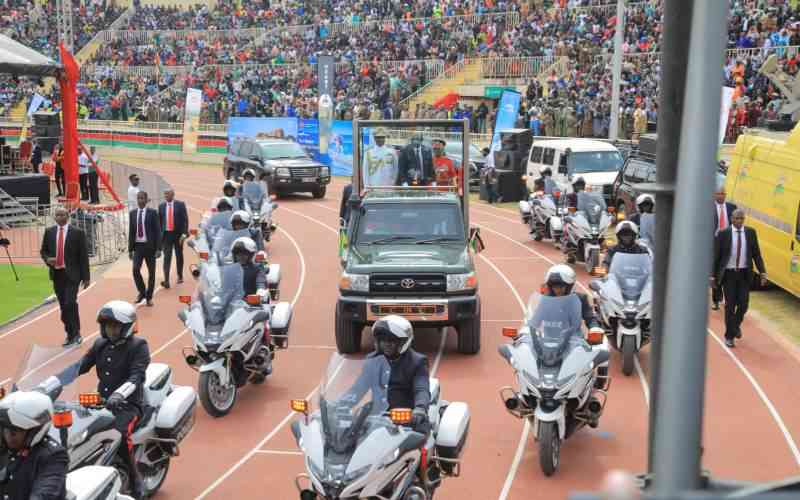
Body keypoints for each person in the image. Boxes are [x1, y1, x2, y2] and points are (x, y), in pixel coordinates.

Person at [72, 301, 150, 498]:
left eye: (115, 326)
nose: (111, 330)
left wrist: (119, 394)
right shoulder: (100, 344)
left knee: (121, 434)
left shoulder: (139, 346)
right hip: (101, 402)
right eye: (107, 326)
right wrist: (52, 381)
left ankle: (135, 479)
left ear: (126, 327)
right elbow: (79, 366)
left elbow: (137, 376)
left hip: (128, 405)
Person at [347, 315, 431, 434]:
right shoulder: (372, 360)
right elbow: (358, 388)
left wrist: (420, 408)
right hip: (375, 419)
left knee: (420, 441)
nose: (386, 344)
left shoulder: (417, 362)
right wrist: (341, 403)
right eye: (382, 340)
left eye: (392, 341)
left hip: (406, 420)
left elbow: (421, 389)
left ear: (403, 342)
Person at [541, 264, 609, 383]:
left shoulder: (580, 299)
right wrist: (526, 329)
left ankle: (599, 381)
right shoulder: (545, 300)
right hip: (549, 342)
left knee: (602, 347)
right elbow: (533, 319)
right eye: (555, 287)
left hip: (574, 341)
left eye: (561, 286)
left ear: (570, 286)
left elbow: (590, 317)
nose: (558, 290)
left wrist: (594, 328)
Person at [712, 209, 766, 348]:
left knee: (743, 304)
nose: (739, 221)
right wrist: (712, 275)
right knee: (730, 306)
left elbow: (757, 254)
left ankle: (735, 326)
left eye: (742, 218)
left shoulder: (750, 233)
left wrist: (762, 272)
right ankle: (729, 336)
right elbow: (716, 257)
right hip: (728, 275)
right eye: (737, 218)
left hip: (744, 274)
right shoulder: (723, 234)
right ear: (732, 219)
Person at [0, 391, 68, 500]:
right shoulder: (6, 447)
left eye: (14, 432)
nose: (8, 436)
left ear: (34, 431)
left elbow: (44, 494)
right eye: (4, 429)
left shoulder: (53, 456)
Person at [40, 207, 90, 346]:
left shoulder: (77, 233)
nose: (59, 217)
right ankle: (70, 333)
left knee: (70, 303)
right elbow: (43, 251)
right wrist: (47, 259)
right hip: (57, 274)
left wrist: (86, 277)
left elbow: (83, 256)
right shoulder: (49, 232)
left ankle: (77, 333)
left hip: (73, 275)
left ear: (67, 216)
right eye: (57, 215)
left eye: (62, 214)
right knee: (63, 306)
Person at [128, 191, 161, 306]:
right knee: (135, 270)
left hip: (150, 248)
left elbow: (157, 231)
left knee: (151, 273)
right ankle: (142, 292)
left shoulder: (152, 213)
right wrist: (130, 250)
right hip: (138, 247)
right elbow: (131, 232)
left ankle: (149, 297)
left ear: (146, 200)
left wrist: (158, 249)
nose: (140, 200)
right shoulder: (132, 213)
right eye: (139, 198)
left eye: (142, 198)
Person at [711, 185, 737, 311]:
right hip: (714, 242)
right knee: (715, 271)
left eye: (723, 194)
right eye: (718, 194)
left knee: (727, 269)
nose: (720, 196)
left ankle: (729, 298)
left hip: (728, 241)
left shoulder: (732, 208)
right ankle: (716, 299)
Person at [159, 189, 189, 289]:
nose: (166, 195)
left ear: (173, 194)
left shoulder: (180, 205)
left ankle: (180, 275)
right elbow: (159, 222)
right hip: (166, 235)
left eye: (167, 194)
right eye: (165, 194)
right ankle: (166, 280)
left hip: (178, 235)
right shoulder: (161, 206)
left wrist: (184, 233)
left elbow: (185, 220)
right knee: (167, 257)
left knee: (179, 255)